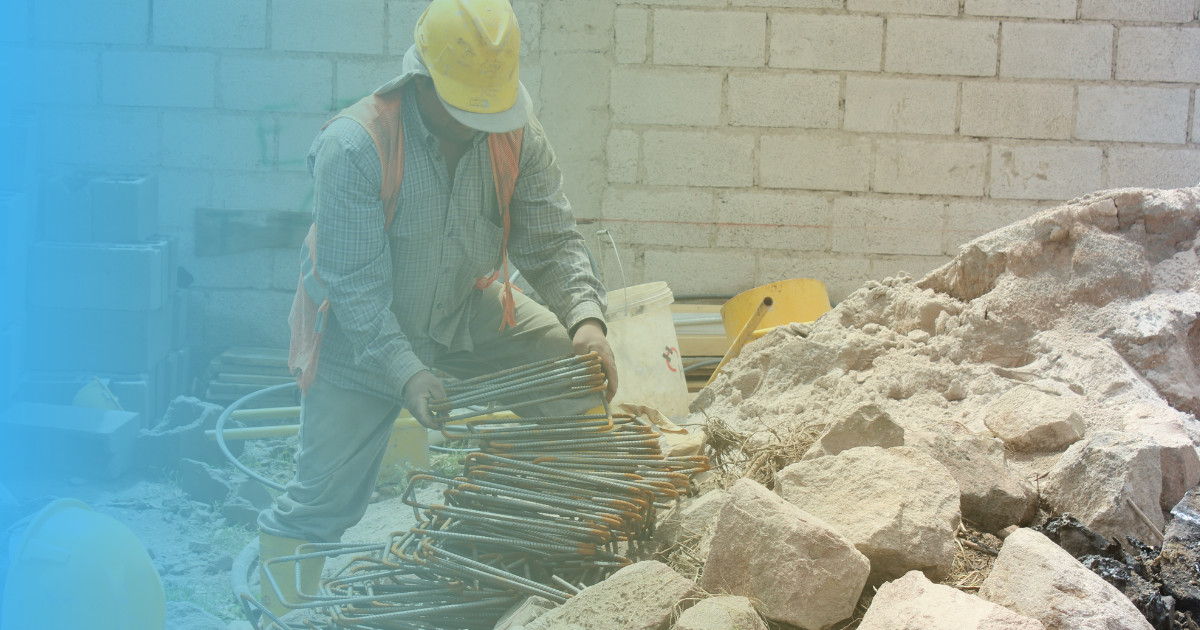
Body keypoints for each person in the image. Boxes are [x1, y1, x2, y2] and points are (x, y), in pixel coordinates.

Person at [255, 0, 617, 615]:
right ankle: (278, 613)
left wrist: (586, 319)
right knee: (320, 502)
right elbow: (359, 295)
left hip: (462, 308)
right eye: (465, 112)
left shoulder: (513, 134)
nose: (480, 126)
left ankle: (559, 549)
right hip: (360, 339)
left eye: (490, 111)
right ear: (421, 79)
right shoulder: (355, 148)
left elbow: (551, 239)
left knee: (572, 377)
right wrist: (407, 373)